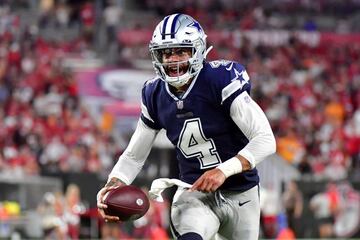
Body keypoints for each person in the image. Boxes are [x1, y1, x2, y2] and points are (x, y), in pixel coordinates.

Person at [97, 13, 276, 240]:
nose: (173, 60)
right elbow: (134, 156)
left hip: (240, 193)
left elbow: (265, 139)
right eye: (166, 53)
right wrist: (113, 184)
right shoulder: (154, 94)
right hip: (193, 192)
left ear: (198, 50)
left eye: (181, 51)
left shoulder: (220, 80)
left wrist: (223, 170)